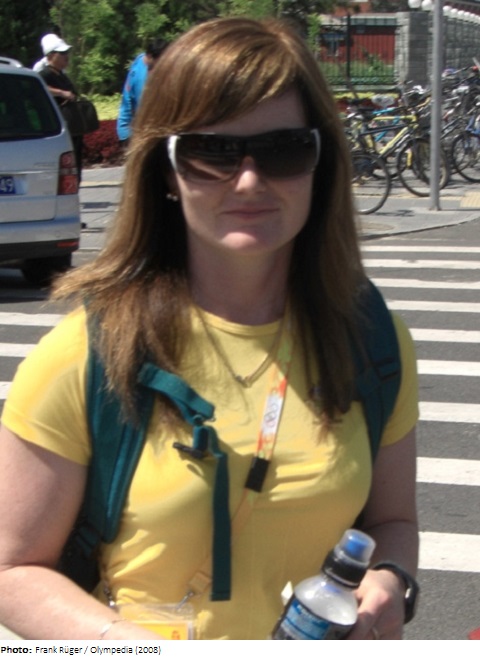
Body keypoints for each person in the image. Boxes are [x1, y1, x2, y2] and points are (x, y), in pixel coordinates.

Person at [0, 17, 419, 640]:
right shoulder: (87, 351)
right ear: (167, 172)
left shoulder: (372, 340)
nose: (248, 180)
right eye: (211, 152)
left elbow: (393, 524)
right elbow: (12, 569)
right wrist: (126, 648)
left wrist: (390, 580)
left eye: (283, 150)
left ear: (320, 163)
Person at [38, 35, 83, 182]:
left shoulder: (62, 75)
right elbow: (40, 88)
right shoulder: (44, 74)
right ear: (51, 56)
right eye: (62, 53)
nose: (66, 57)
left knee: (76, 166)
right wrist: (61, 93)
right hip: (60, 128)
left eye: (66, 53)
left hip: (73, 127)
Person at [116, 38, 168, 145]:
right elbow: (142, 109)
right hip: (138, 133)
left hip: (135, 131)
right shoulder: (141, 78)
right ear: (150, 56)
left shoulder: (140, 59)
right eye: (160, 61)